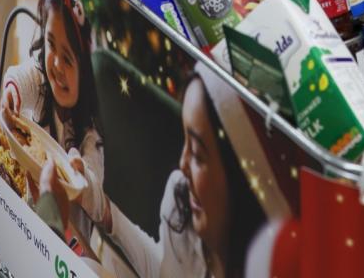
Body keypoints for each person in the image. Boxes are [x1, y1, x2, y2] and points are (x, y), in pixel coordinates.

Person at [77, 68, 269, 278]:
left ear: (239, 177)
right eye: (185, 140)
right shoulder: (182, 203)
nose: (182, 164)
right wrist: (103, 210)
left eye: (197, 154)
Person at [2, 0, 104, 216]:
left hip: (66, 232)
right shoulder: (43, 80)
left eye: (68, 58)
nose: (56, 64)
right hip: (26, 203)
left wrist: (81, 174)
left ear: (87, 73)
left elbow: (95, 195)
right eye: (50, 44)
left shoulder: (90, 136)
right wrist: (13, 90)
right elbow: (26, 74)